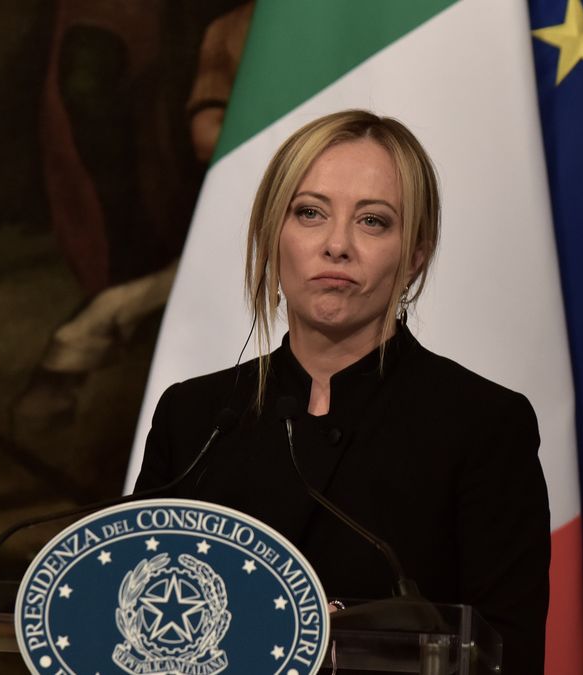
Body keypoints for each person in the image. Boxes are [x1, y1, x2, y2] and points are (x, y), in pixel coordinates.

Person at [134, 110, 551, 674]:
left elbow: (508, 657)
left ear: (415, 257)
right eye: (310, 213)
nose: (337, 245)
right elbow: (129, 620)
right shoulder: (195, 416)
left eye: (373, 222)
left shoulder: (483, 424)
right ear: (270, 234)